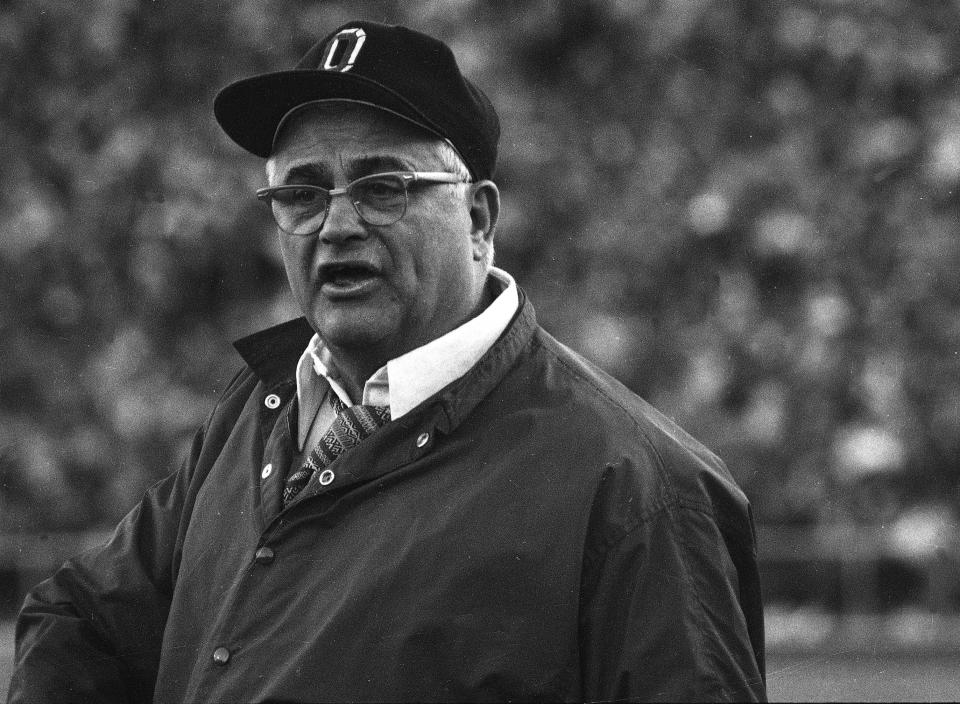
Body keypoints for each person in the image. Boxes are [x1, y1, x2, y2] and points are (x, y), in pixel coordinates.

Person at [8, 20, 767, 703]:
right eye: (301, 193)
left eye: (382, 187)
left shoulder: (640, 487)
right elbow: (82, 617)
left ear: (477, 219)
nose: (336, 224)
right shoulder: (260, 403)